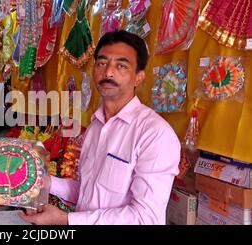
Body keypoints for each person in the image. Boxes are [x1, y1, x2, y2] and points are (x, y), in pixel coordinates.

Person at [19, 30, 181, 225]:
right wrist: (46, 183)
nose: (108, 72)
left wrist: (66, 220)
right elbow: (88, 191)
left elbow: (144, 217)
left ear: (139, 77)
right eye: (102, 63)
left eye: (121, 65)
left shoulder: (155, 134)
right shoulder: (96, 125)